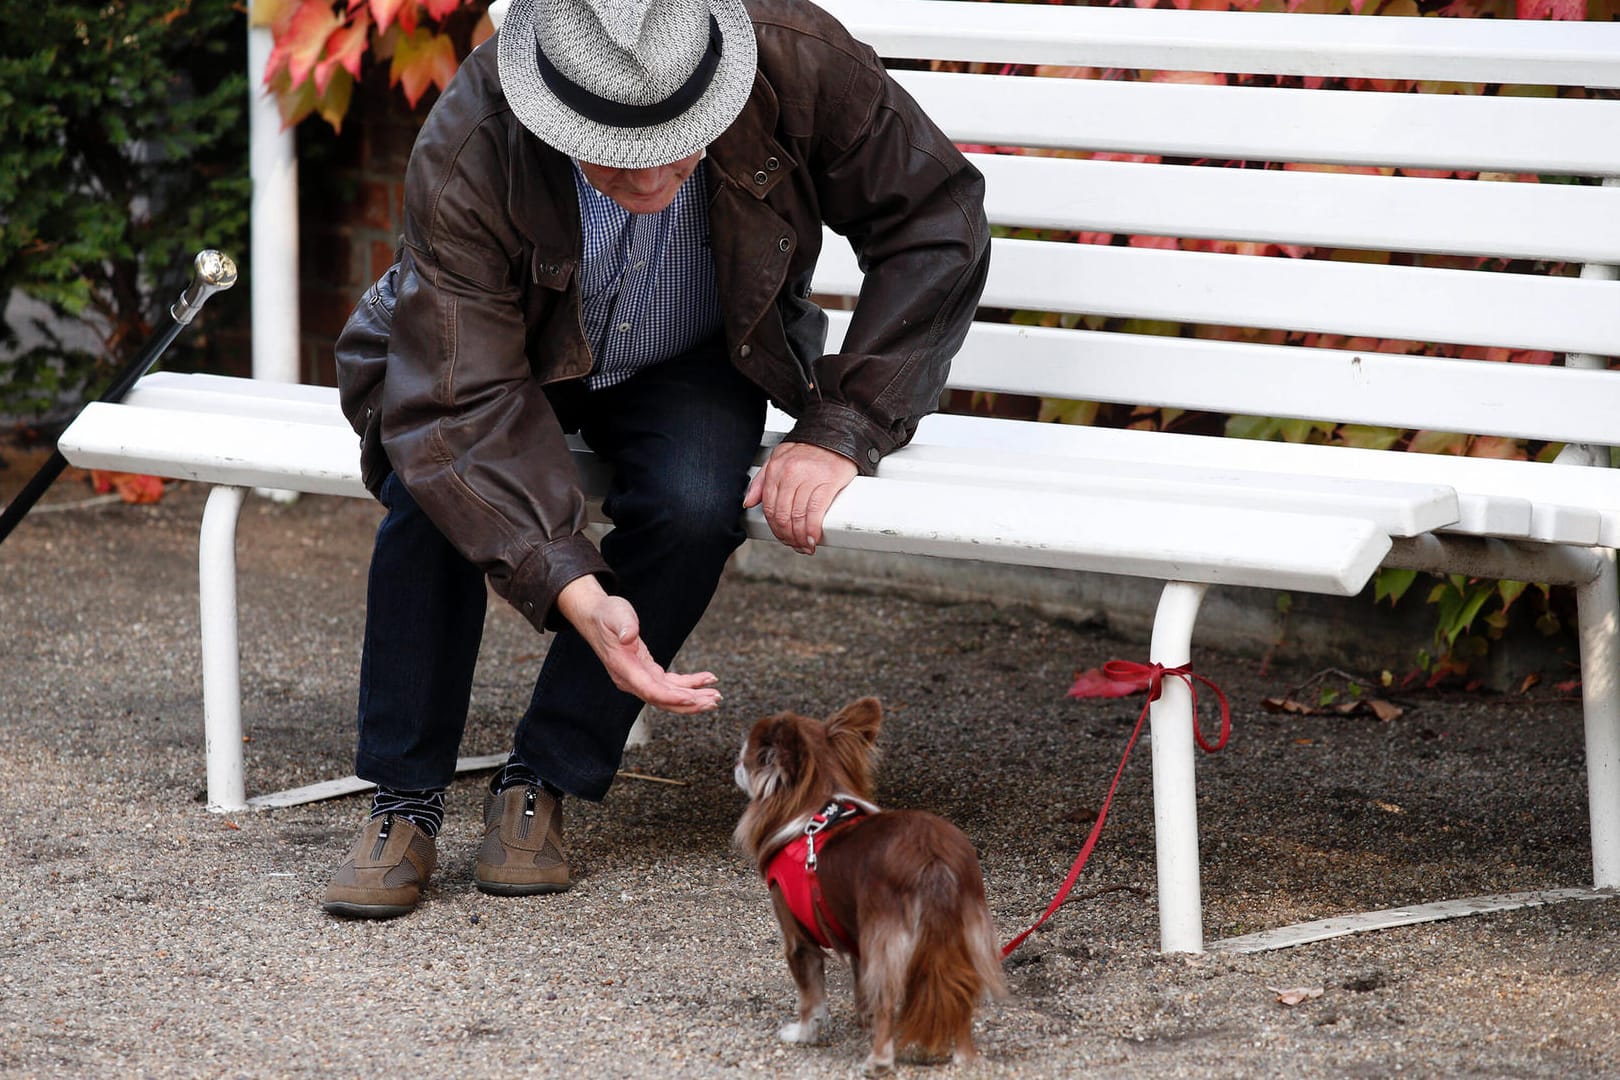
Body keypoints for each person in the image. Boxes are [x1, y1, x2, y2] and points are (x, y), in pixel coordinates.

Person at [321, 0, 989, 919]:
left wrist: (846, 423)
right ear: (553, 114)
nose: (658, 171)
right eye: (620, 149)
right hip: (501, 352)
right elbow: (458, 406)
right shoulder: (476, 132)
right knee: (430, 494)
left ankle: (543, 779)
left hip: (694, 351)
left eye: (684, 138)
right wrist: (576, 589)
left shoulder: (795, 59)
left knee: (693, 505)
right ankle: (402, 798)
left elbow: (937, 217)